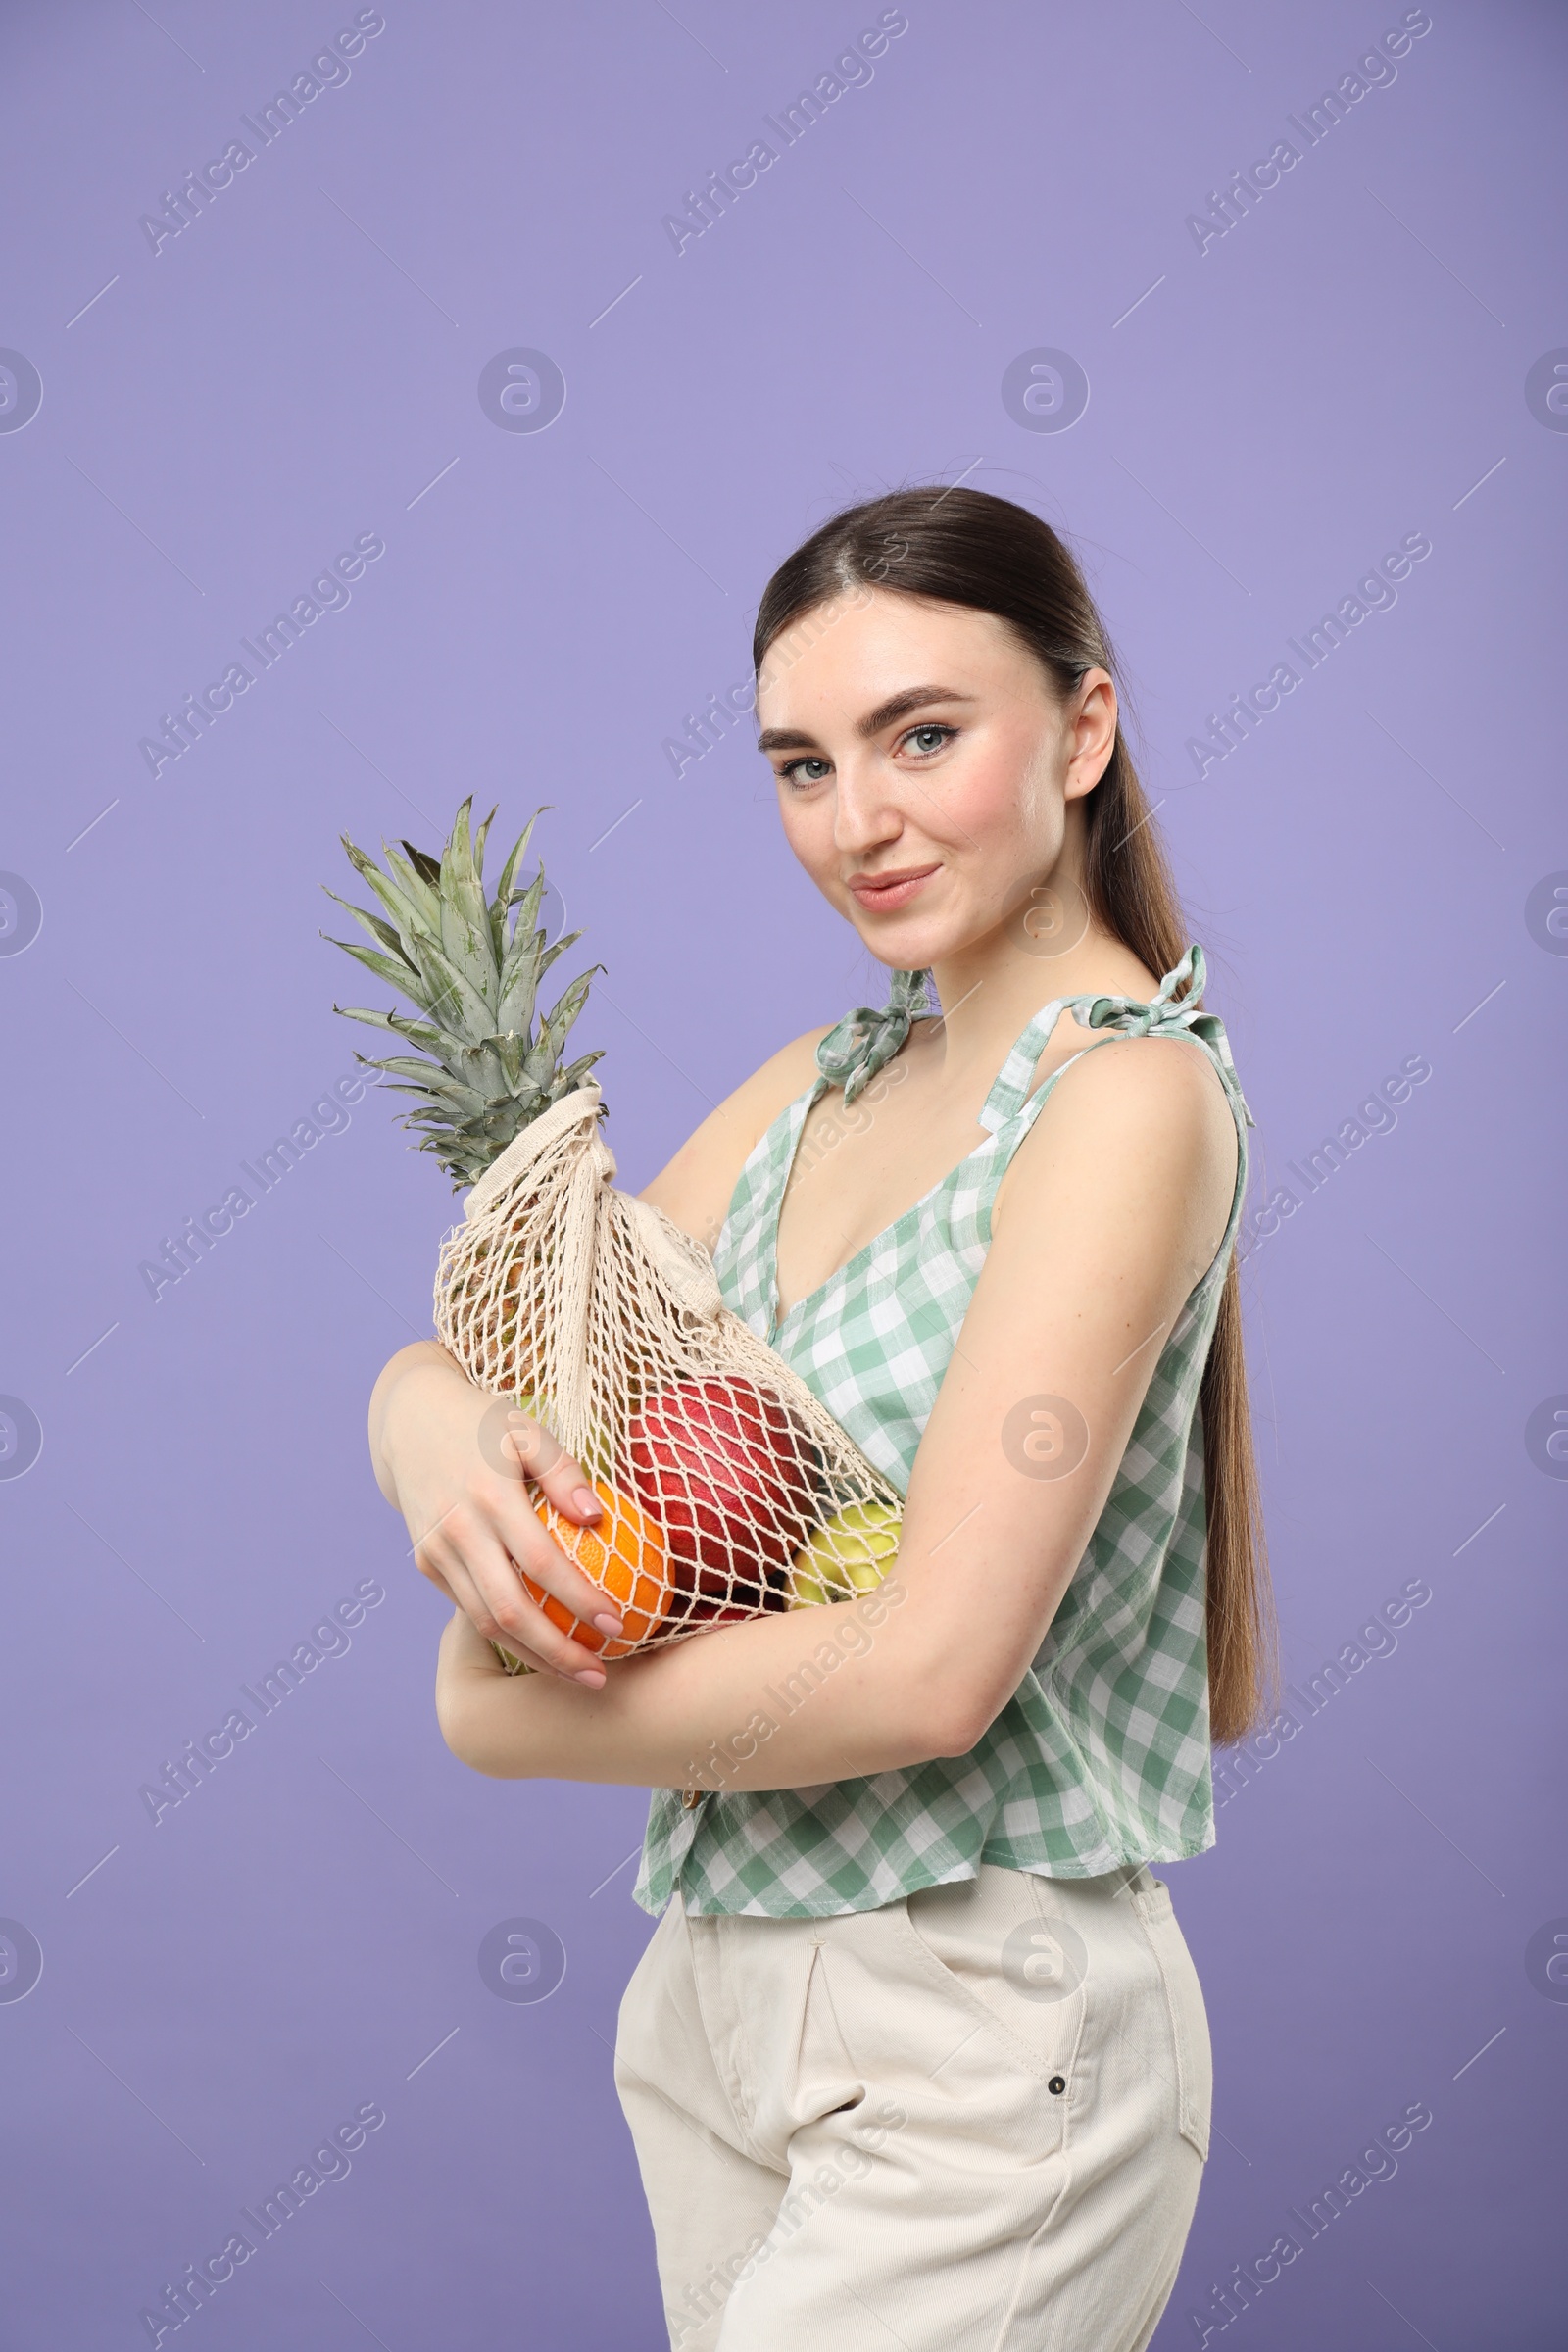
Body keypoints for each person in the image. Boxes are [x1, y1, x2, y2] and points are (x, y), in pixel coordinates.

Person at [368, 487, 1274, 2351]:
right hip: (716, 2005)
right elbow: (517, 1355)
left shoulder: (1122, 1104)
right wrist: (420, 1425)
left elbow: (935, 1674)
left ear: (1083, 730)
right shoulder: (811, 1091)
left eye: (923, 737)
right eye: (801, 763)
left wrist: (493, 1710)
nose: (855, 822)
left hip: (973, 2023)